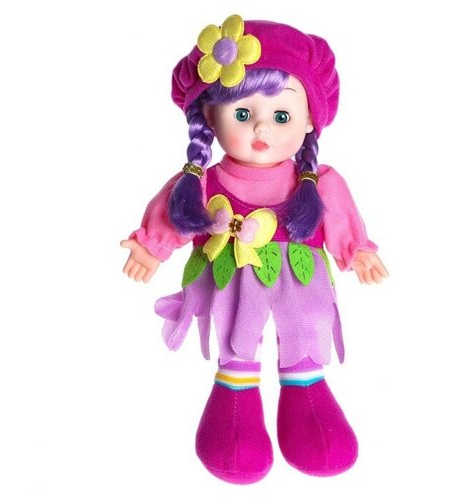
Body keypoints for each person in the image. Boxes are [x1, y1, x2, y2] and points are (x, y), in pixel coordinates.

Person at [121, 14, 388, 484]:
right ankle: (234, 402)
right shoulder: (202, 182)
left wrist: (357, 250)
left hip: (300, 280)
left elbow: (342, 217)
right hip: (230, 279)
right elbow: (172, 213)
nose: (262, 130)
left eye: (281, 116)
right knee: (236, 337)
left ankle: (307, 395)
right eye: (242, 115)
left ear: (309, 120)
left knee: (305, 332)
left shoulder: (315, 182)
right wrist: (151, 247)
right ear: (210, 117)